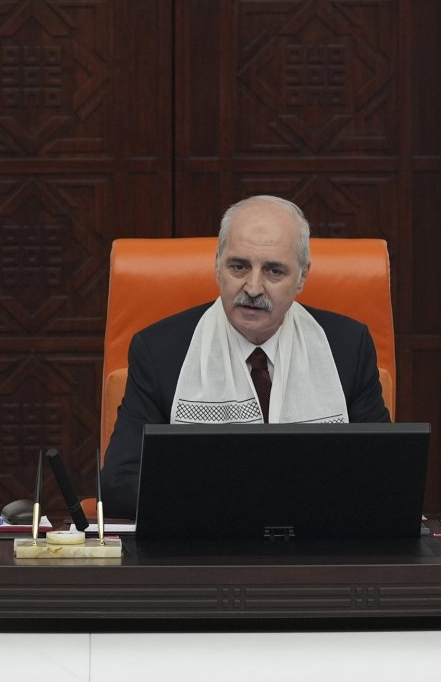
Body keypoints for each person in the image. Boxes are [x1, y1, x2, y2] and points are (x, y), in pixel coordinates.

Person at [101, 196, 390, 516]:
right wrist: (245, 500)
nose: (253, 287)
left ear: (303, 277)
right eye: (239, 266)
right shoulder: (159, 350)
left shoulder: (347, 346)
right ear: (217, 265)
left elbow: (385, 474)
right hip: (203, 553)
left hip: (314, 554)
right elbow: (118, 483)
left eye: (274, 271)